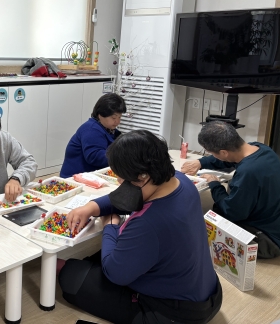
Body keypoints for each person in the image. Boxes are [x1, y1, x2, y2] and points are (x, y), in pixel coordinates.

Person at [60, 130, 222, 324]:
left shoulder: (149, 222)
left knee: (71, 276)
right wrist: (91, 207)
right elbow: (127, 197)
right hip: (209, 294)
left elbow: (115, 274)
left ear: (142, 177)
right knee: (96, 260)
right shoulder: (180, 181)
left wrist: (110, 226)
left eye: (121, 178)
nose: (119, 182)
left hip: (174, 314)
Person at [181, 121, 280, 259]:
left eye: (211, 153)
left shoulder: (248, 172)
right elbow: (228, 159)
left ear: (223, 152)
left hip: (270, 242)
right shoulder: (261, 149)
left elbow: (232, 212)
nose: (210, 155)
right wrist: (201, 162)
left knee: (205, 222)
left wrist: (214, 184)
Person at [60, 93, 126, 178]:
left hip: (91, 175)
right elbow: (94, 157)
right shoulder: (91, 129)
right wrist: (123, 157)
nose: (117, 122)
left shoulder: (108, 129)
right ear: (100, 114)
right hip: (74, 178)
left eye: (119, 117)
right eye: (114, 118)